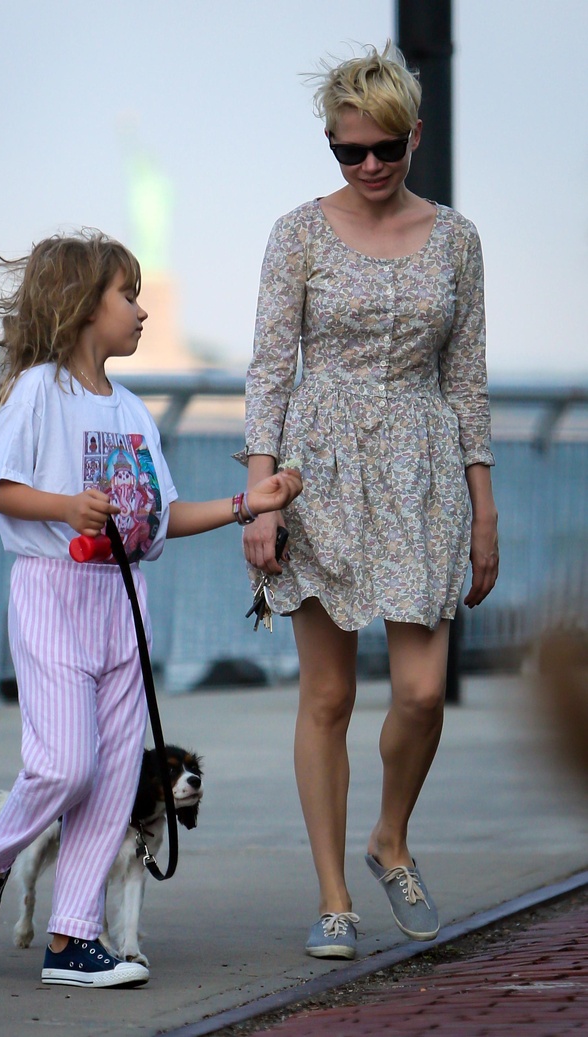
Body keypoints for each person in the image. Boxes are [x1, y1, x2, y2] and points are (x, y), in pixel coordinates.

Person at [0, 230, 302, 989]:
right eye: (127, 296)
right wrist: (66, 506)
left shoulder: (134, 411)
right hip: (52, 594)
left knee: (111, 779)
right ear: (82, 306)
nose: (141, 311)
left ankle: (73, 939)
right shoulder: (38, 391)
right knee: (63, 764)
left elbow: (161, 515)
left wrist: (247, 503)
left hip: (124, 602)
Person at [240, 42, 499, 960]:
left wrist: (484, 509)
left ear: (414, 136)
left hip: (424, 473)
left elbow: (466, 380)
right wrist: (261, 500)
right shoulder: (298, 234)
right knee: (329, 693)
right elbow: (269, 371)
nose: (369, 165)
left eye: (385, 147)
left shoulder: (457, 239)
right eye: (348, 151)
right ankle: (334, 897)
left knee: (422, 692)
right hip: (321, 472)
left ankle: (390, 838)